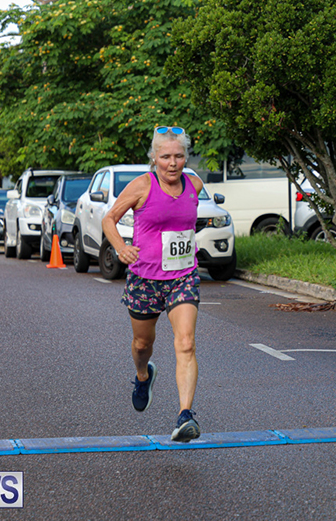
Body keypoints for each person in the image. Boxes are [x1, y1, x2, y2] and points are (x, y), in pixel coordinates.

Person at [102, 126, 203, 443]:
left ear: (185, 156)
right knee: (142, 345)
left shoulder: (194, 184)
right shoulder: (142, 186)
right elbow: (109, 219)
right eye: (165, 157)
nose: (173, 163)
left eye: (179, 156)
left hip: (183, 276)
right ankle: (143, 376)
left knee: (185, 342)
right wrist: (121, 247)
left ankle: (185, 415)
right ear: (154, 158)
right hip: (145, 278)